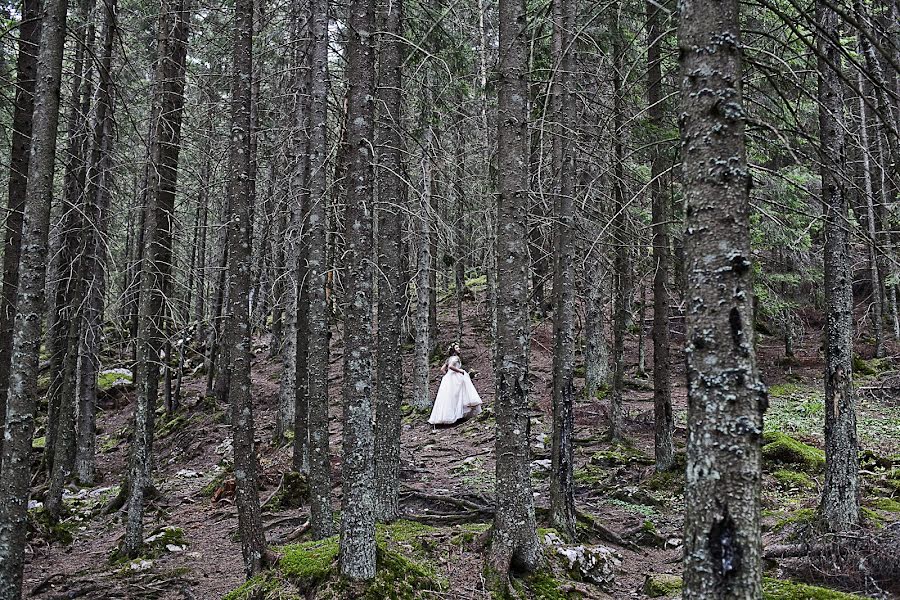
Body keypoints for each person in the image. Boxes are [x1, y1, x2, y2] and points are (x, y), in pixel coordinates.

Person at [428, 343, 483, 425]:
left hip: (448, 378)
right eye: (457, 347)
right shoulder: (456, 358)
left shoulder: (449, 358)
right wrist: (460, 371)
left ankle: (447, 416)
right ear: (454, 350)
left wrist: (447, 375)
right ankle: (458, 415)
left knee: (449, 397)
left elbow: (442, 369)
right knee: (458, 395)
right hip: (455, 378)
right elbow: (450, 366)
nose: (459, 348)